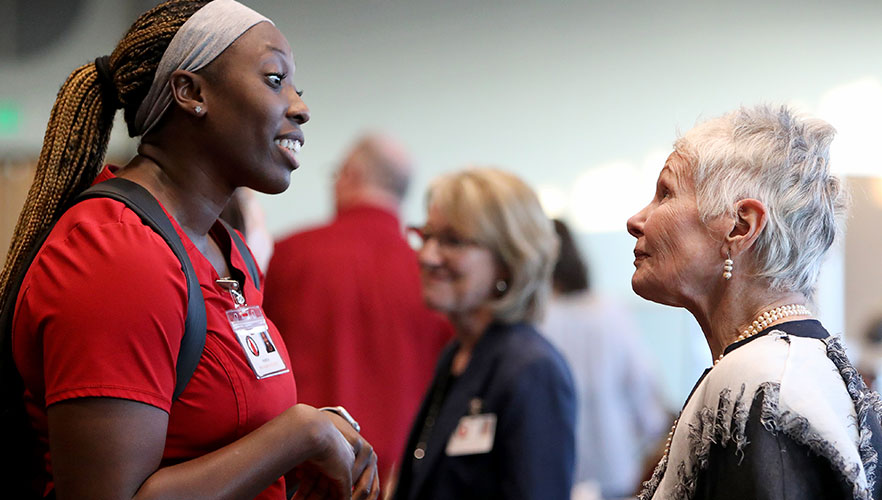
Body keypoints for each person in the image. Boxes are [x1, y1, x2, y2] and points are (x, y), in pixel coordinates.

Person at [1, 1, 379, 498]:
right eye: (273, 79)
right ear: (191, 92)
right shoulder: (117, 254)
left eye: (296, 88)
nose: (299, 106)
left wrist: (308, 448)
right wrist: (298, 435)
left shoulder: (229, 250)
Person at [627, 105, 882, 500]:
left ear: (740, 226)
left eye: (665, 193)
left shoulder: (768, 378)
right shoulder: (775, 366)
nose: (637, 220)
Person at [262, 134, 452, 485]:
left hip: (307, 473)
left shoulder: (292, 255)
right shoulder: (432, 273)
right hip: (401, 477)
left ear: (351, 174)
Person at [392, 167, 576, 500]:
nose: (427, 256)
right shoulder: (459, 354)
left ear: (509, 261)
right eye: (427, 235)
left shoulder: (532, 370)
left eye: (452, 241)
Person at [542, 219, 668, 499]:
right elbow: (641, 382)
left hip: (556, 469)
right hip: (614, 465)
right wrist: (654, 429)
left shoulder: (537, 319)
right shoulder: (608, 311)